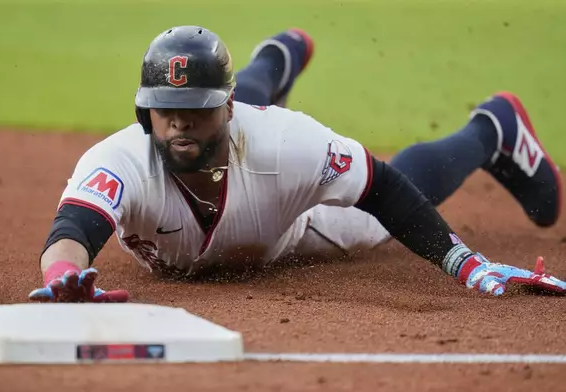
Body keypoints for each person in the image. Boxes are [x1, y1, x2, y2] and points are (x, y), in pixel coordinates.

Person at [29, 25, 565, 303]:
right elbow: (74, 227)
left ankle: (491, 129)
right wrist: (63, 276)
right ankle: (273, 60)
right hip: (246, 133)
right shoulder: (119, 159)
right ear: (146, 112)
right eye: (165, 109)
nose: (179, 122)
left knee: (368, 228)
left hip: (287, 228)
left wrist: (461, 261)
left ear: (226, 109)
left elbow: (380, 184)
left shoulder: (285, 142)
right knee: (233, 124)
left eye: (195, 108)